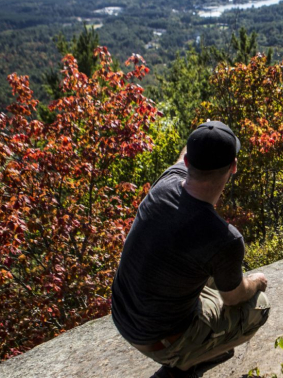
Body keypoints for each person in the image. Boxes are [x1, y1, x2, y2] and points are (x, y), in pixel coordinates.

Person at [111, 120, 270, 378]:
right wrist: (255, 282)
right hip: (158, 338)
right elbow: (233, 297)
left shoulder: (166, 183)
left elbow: (187, 152)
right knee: (259, 305)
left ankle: (192, 348)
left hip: (122, 314)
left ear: (187, 163)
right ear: (233, 167)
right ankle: (186, 361)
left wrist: (203, 132)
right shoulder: (225, 238)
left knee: (205, 269)